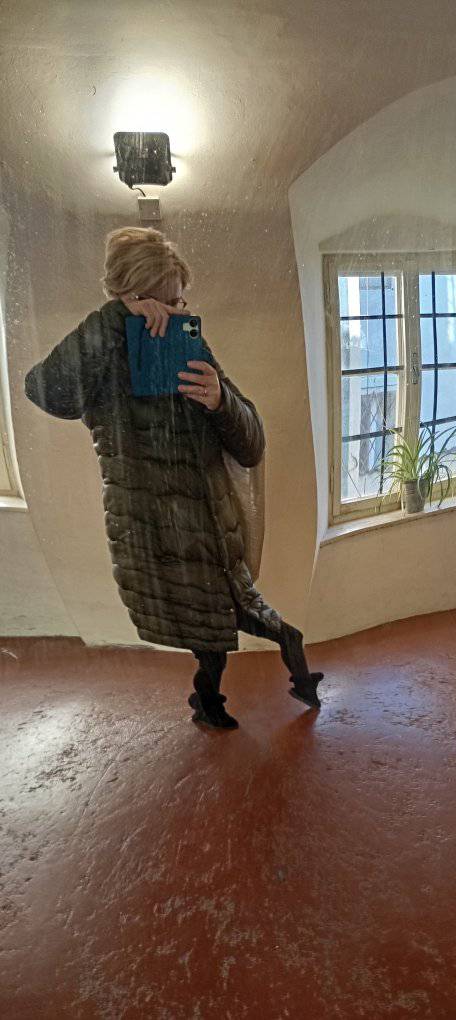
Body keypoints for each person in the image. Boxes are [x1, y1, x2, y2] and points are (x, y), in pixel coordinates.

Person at [24, 226, 323, 729]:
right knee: (212, 636)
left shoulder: (189, 345)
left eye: (180, 302)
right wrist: (115, 318)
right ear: (130, 296)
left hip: (215, 540)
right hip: (161, 541)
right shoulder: (103, 357)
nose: (176, 313)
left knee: (233, 630)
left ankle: (221, 697)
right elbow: (44, 390)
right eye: (164, 302)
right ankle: (212, 701)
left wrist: (221, 401)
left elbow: (251, 445)